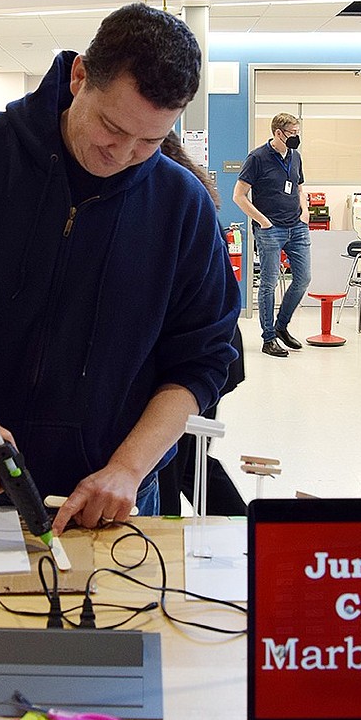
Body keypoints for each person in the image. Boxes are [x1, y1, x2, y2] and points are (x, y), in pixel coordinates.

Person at [0, 3, 240, 534]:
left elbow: (202, 360)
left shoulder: (182, 205)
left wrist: (127, 468)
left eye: (149, 140)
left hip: (111, 504)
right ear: (79, 76)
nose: (123, 153)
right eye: (111, 126)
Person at [156, 131, 246, 516]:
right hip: (214, 351)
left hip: (202, 353)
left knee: (179, 458)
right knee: (188, 457)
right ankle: (244, 531)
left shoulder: (172, 200)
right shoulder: (192, 192)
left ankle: (243, 532)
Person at [233, 113, 310, 358]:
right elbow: (239, 195)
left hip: (296, 227)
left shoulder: (295, 156)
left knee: (303, 279)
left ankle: (282, 326)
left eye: (298, 132)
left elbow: (298, 186)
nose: (297, 137)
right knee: (269, 283)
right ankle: (269, 338)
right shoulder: (257, 158)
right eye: (293, 133)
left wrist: (304, 212)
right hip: (270, 230)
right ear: (279, 133)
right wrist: (262, 221)